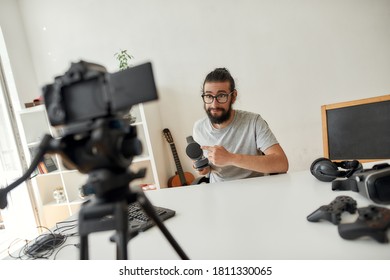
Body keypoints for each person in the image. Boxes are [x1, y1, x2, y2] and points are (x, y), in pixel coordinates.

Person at [192, 67, 289, 183]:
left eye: (221, 96)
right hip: (219, 191)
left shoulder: (254, 122)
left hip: (255, 189)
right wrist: (204, 169)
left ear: (233, 97)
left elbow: (282, 163)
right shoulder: (199, 128)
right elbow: (209, 168)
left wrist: (230, 158)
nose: (214, 104)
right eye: (208, 96)